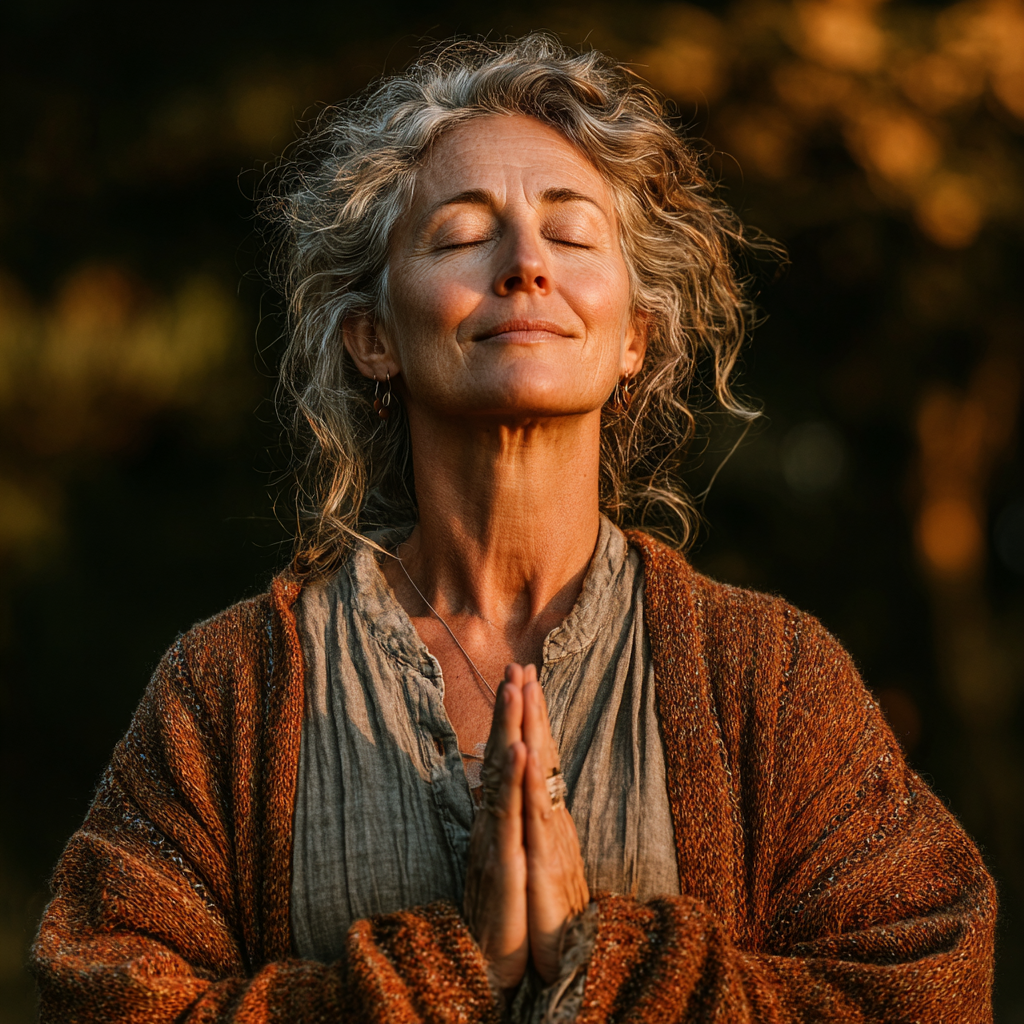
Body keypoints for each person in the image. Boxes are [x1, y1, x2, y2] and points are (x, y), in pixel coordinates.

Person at [31, 34, 995, 1023]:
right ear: (372, 336)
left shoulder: (770, 673)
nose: (526, 264)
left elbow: (924, 982)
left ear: (633, 336)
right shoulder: (229, 686)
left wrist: (621, 970)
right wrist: (431, 982)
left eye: (571, 236)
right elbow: (99, 990)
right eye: (460, 235)